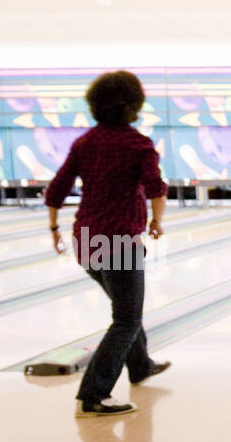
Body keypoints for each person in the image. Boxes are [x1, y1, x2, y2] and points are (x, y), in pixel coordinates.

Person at [45, 70, 170, 418]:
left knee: (126, 308)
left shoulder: (84, 143)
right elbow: (156, 187)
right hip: (119, 240)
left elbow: (56, 189)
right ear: (134, 105)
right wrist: (157, 221)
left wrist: (54, 227)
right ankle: (95, 393)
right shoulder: (138, 143)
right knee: (126, 319)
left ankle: (141, 365)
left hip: (86, 240)